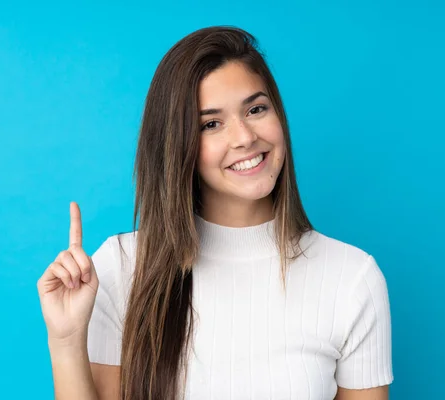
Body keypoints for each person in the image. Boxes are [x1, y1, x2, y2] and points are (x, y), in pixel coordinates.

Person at [37, 26, 393, 400]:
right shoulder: (122, 267)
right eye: (211, 124)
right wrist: (66, 341)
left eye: (256, 109)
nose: (243, 137)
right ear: (177, 145)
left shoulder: (352, 278)